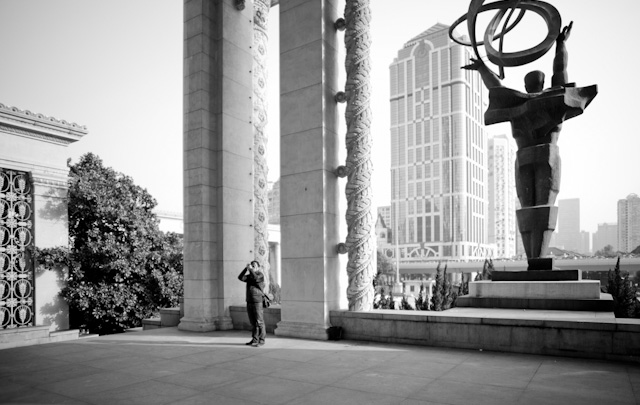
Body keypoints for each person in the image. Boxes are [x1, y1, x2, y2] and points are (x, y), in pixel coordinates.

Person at [238, 260, 266, 347]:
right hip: (249, 300)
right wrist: (245, 269)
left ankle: (261, 340)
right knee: (253, 322)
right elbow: (240, 277)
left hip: (257, 301)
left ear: (258, 267)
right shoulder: (250, 275)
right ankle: (254, 339)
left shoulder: (260, 275)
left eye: (254, 266)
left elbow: (255, 278)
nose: (252, 267)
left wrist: (251, 270)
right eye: (251, 265)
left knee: (259, 322)